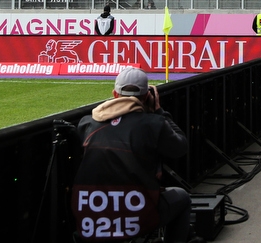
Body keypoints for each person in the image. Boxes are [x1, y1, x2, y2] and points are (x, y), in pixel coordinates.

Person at [72, 67, 202, 243]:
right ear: (148, 96)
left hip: (90, 219)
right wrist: (159, 112)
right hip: (137, 217)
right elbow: (180, 147)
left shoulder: (87, 123)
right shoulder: (154, 124)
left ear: (115, 94)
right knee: (182, 198)